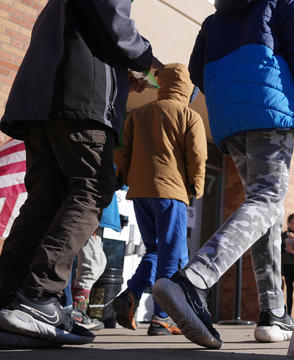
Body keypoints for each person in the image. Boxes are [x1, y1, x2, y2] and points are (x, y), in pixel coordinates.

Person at [152, 0, 294, 349]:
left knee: (262, 208)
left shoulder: (214, 20)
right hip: (270, 108)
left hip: (230, 120)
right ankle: (193, 281)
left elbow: (196, 70)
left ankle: (273, 312)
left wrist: (232, 96)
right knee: (267, 199)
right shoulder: (286, 4)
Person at [0, 0, 157, 345]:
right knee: (92, 189)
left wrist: (122, 66)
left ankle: (9, 301)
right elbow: (114, 23)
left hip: (44, 100)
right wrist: (145, 60)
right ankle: (39, 296)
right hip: (80, 97)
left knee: (45, 200)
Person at [113, 63, 207, 336]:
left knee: (154, 249)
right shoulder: (190, 117)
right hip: (170, 192)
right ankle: (162, 317)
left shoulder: (139, 114)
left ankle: (131, 295)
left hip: (140, 192)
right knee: (171, 252)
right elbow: (197, 157)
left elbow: (123, 150)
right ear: (187, 88)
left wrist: (122, 176)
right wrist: (196, 187)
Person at [69, 192, 122, 331]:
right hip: (91, 207)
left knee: (92, 262)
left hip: (94, 208)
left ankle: (76, 310)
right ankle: (76, 312)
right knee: (93, 263)